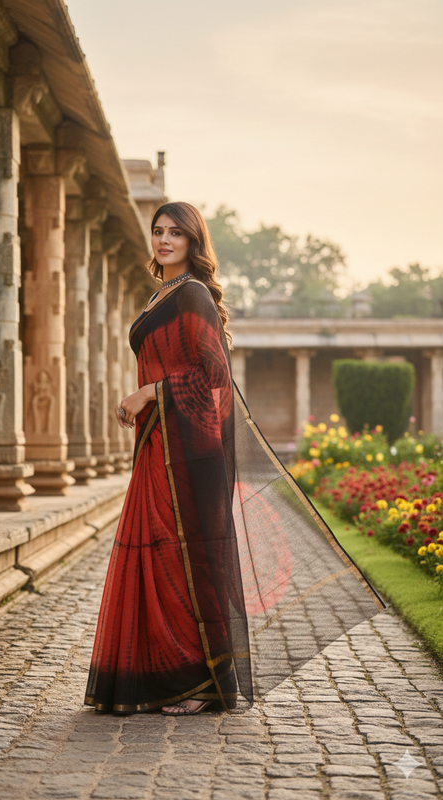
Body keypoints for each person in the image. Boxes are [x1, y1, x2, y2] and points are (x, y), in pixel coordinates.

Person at [84, 202, 384, 717]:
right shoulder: (162, 294)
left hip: (190, 449)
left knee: (188, 557)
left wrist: (150, 392)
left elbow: (213, 375)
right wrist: (146, 401)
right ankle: (159, 678)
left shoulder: (193, 294)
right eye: (158, 231)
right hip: (159, 444)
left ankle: (201, 683)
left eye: (176, 232)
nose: (164, 240)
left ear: (194, 241)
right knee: (155, 554)